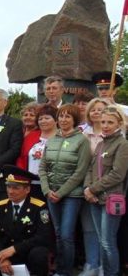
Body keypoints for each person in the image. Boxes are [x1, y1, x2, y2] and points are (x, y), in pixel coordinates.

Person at [38, 104, 92, 276]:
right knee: (59, 233)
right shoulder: (52, 139)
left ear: (74, 120)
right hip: (51, 193)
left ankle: (65, 271)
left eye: (67, 117)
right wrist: (47, 190)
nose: (63, 119)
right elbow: (43, 168)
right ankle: (60, 269)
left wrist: (61, 193)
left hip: (72, 195)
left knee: (67, 234)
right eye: (61, 116)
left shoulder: (82, 140)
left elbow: (81, 171)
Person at [0, 165, 53, 276]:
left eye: (16, 188)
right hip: (7, 253)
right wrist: (2, 257)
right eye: (8, 187)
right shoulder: (0, 206)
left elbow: (43, 236)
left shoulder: (39, 207)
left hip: (27, 252)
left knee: (39, 254)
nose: (10, 191)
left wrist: (15, 249)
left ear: (27, 189)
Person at [84, 105, 128, 276]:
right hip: (94, 198)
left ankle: (112, 273)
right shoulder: (102, 143)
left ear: (119, 123)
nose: (106, 125)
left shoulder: (123, 144)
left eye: (110, 122)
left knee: (108, 241)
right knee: (101, 240)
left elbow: (118, 174)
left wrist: (93, 189)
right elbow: (90, 168)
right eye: (103, 122)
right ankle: (104, 272)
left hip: (111, 199)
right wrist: (88, 189)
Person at [79, 98, 110, 276]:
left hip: (108, 190)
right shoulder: (83, 135)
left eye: (101, 109)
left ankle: (105, 268)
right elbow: (83, 165)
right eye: (93, 110)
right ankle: (91, 264)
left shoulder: (117, 134)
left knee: (106, 234)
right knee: (89, 229)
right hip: (87, 188)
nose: (97, 112)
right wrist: (88, 189)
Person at [16, 104, 57, 200]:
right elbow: (22, 158)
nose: (43, 121)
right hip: (31, 185)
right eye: (40, 119)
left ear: (56, 120)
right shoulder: (31, 136)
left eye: (47, 118)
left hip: (53, 187)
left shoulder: (62, 137)